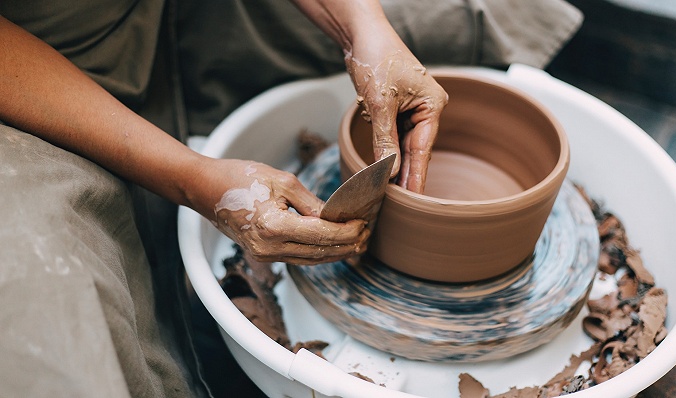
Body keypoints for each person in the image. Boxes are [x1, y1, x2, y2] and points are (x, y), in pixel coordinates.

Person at [0, 0, 583, 396]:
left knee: (454, 14)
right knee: (49, 316)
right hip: (34, 57)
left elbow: (366, 29)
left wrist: (361, 28)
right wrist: (190, 176)